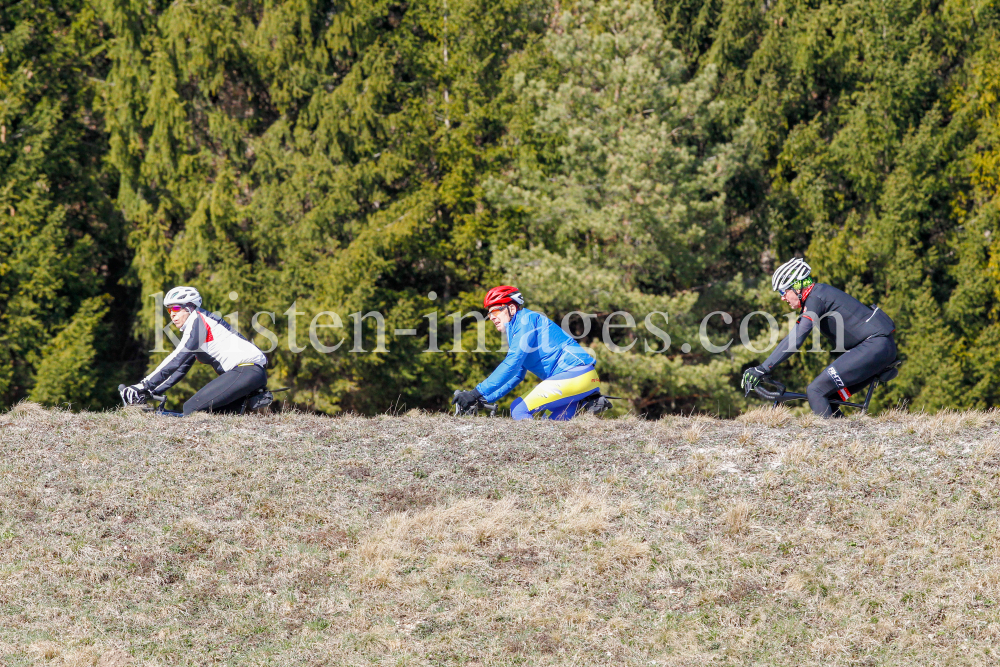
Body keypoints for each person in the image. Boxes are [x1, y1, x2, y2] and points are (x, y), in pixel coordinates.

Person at [741, 258, 897, 418]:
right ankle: (843, 438)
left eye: (783, 292)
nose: (782, 298)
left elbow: (796, 338)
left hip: (874, 345)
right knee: (829, 398)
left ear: (796, 287)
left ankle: (828, 441)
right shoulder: (819, 294)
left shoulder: (815, 298)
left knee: (816, 391)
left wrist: (763, 368)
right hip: (879, 348)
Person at [452, 286, 604, 420]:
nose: (491, 317)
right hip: (583, 379)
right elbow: (517, 375)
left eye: (495, 310)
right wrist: (483, 398)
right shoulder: (516, 331)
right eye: (489, 312)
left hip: (576, 375)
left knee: (518, 409)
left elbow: (512, 363)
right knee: (551, 430)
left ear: (511, 308)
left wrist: (475, 393)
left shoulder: (526, 320)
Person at [119, 286, 269, 415]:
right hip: (247, 374)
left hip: (246, 372)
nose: (172, 314)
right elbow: (180, 368)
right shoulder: (198, 325)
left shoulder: (198, 320)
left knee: (191, 408)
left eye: (176, 308)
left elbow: (177, 357)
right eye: (169, 310)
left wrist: (144, 385)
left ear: (190, 307)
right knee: (216, 416)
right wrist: (152, 392)